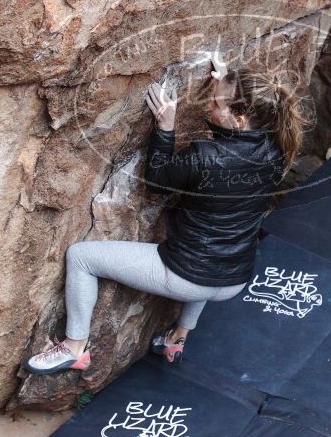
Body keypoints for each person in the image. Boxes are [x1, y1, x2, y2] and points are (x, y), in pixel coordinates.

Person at [25, 58, 305, 374]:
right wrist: (227, 81)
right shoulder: (275, 149)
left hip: (189, 277)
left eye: (216, 102)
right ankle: (178, 336)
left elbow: (156, 182)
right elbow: (236, 131)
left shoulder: (206, 156)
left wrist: (166, 128)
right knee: (214, 248)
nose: (209, 106)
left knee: (80, 257)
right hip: (234, 278)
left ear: (240, 119)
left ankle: (74, 348)